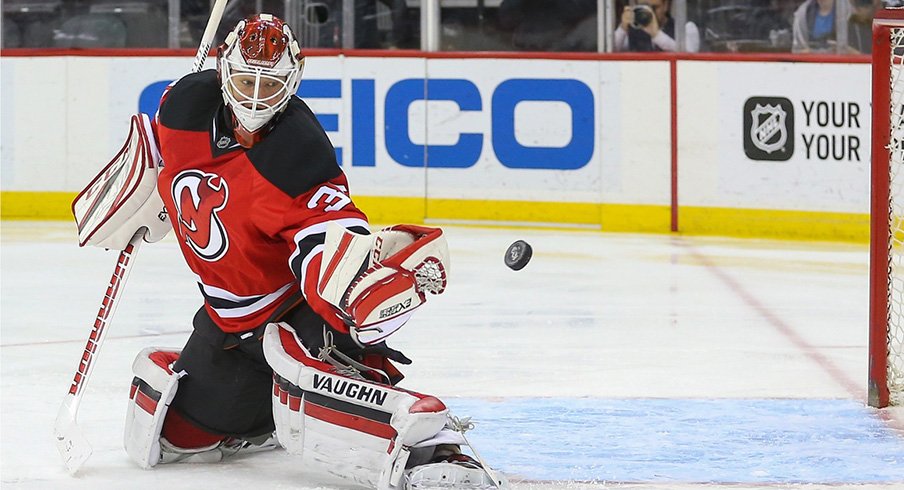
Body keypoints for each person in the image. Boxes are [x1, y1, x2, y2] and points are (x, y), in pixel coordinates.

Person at [79, 12, 508, 489]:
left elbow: (329, 231)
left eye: (272, 84)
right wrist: (145, 182)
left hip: (294, 311)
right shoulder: (182, 106)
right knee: (171, 439)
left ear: (295, 79)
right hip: (226, 320)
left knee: (297, 360)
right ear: (222, 70)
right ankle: (264, 418)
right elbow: (162, 160)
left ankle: (429, 446)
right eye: (245, 80)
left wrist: (355, 291)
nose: (256, 97)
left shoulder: (299, 153)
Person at [614, 0, 700, 52]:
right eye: (645, 7)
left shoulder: (687, 28)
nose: (650, 12)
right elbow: (609, 51)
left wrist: (656, 34)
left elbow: (689, 56)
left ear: (666, 5)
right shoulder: (632, 30)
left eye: (654, 8)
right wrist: (623, 28)